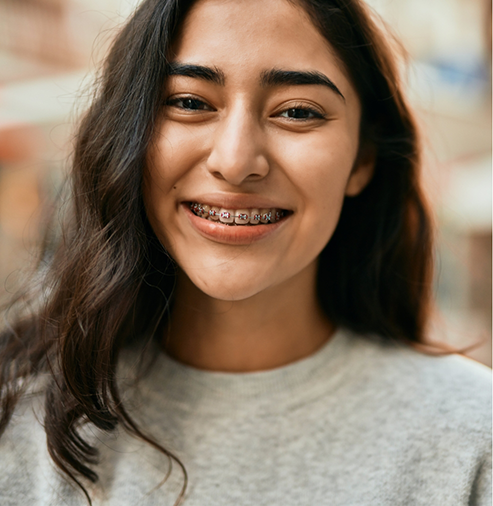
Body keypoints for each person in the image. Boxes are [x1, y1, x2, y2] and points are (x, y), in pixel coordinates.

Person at [0, 0, 491, 505]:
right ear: (129, 131)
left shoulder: (474, 439)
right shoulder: (16, 420)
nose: (235, 162)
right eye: (189, 103)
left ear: (363, 156)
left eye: (298, 112)